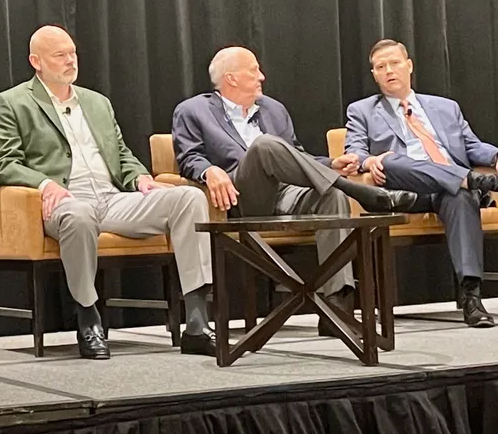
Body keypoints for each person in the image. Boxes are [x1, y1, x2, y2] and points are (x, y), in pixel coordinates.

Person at [0, 25, 216, 360]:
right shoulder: (13, 102)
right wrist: (44, 184)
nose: (70, 60)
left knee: (189, 198)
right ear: (36, 61)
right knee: (79, 217)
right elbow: (3, 163)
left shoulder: (97, 102)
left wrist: (140, 177)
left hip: (112, 199)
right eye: (59, 55)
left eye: (73, 53)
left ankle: (197, 321)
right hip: (65, 201)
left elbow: (120, 152)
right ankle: (88, 317)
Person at [170, 46, 426, 325]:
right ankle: (359, 192)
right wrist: (209, 170)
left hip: (286, 193)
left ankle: (335, 305)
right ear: (231, 78)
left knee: (332, 196)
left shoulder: (273, 110)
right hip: (241, 196)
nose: (262, 77)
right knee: (264, 145)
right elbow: (189, 157)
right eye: (254, 70)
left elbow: (295, 155)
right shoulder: (193, 110)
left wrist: (330, 164)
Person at [339, 39, 498, 328]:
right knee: (391, 159)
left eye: (394, 63)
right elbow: (354, 150)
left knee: (461, 195)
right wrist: (369, 162)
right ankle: (486, 183)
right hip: (404, 190)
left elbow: (471, 146)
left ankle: (471, 298)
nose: (389, 70)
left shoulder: (446, 107)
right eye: (381, 67)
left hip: (448, 189)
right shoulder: (362, 110)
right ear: (374, 75)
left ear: (409, 66)